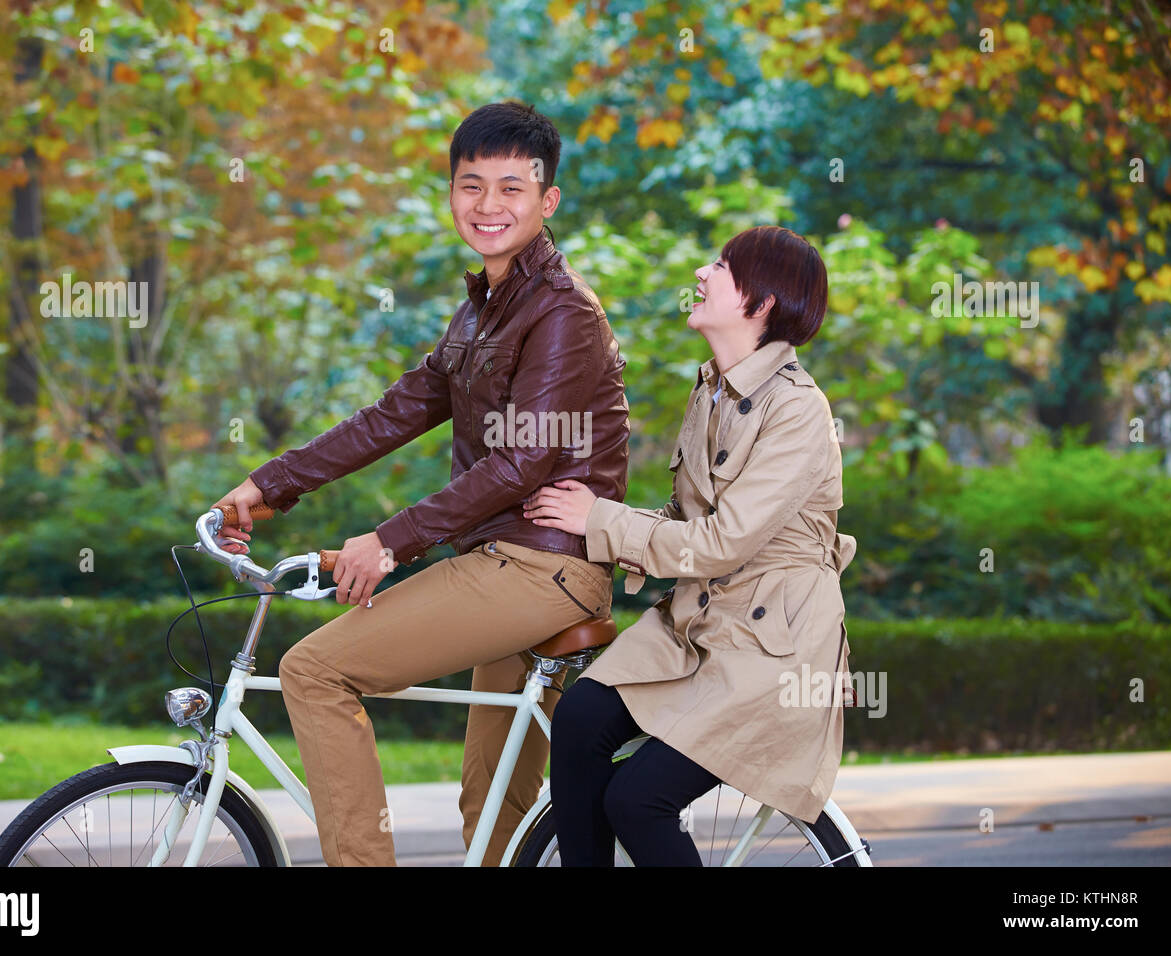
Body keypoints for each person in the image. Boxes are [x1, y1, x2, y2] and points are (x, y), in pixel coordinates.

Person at [212, 102, 630, 866]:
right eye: (471, 186)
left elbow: (519, 464)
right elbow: (392, 414)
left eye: (511, 188)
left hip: (544, 565)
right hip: (507, 563)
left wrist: (390, 542)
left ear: (548, 200)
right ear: (450, 195)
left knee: (314, 670)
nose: (488, 206)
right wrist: (267, 485)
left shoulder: (563, 312)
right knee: (491, 814)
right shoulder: (481, 312)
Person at [522, 224, 856, 866]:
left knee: (637, 800)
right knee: (581, 718)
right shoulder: (712, 390)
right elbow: (681, 518)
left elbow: (723, 542)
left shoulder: (799, 412)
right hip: (700, 625)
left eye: (723, 266)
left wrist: (603, 519)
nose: (702, 272)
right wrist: (580, 520)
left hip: (770, 651)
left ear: (759, 304)